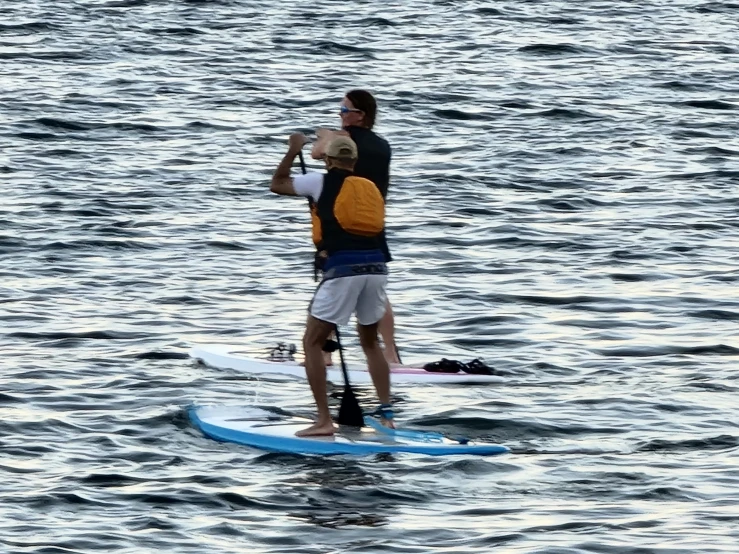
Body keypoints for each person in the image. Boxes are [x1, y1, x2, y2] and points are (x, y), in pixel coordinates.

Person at [270, 132, 394, 437]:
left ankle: (324, 420)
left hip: (342, 272)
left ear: (328, 160)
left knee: (312, 342)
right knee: (370, 342)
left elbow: (277, 184)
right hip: (377, 269)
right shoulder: (370, 186)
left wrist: (293, 150)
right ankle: (387, 413)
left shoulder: (318, 181)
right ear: (354, 160)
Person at [310, 90, 401, 365]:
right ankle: (391, 355)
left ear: (360, 115)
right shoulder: (383, 145)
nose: (340, 115)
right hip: (373, 221)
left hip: (341, 220)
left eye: (344, 110)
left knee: (333, 284)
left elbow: (316, 152)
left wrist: (324, 133)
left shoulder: (344, 140)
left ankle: (324, 354)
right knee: (376, 293)